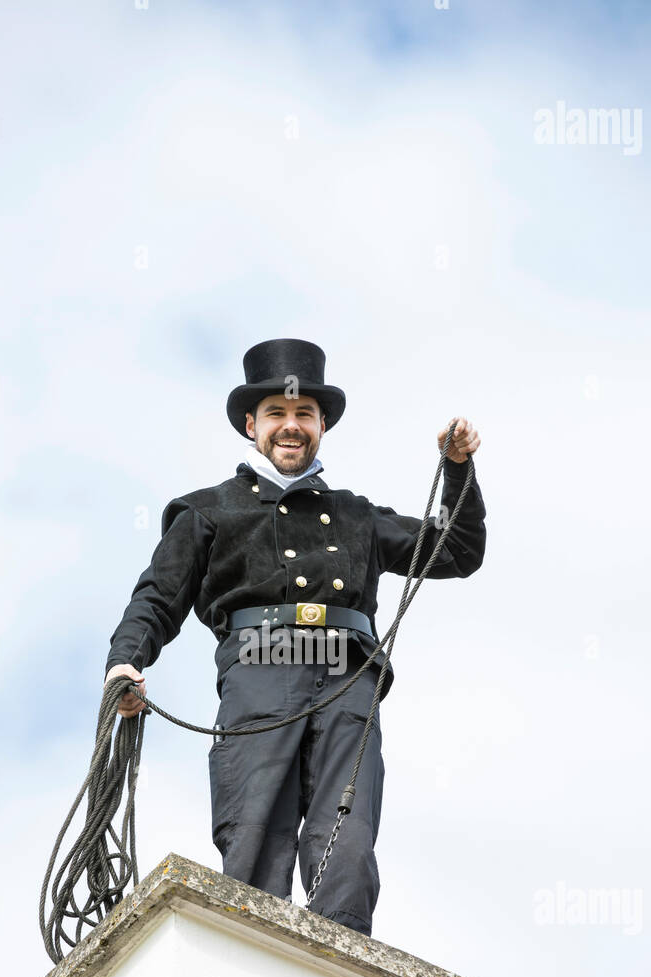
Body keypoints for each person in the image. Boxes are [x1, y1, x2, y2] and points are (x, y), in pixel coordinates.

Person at [104, 338, 486, 936]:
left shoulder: (356, 514)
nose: (291, 426)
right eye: (277, 415)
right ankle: (250, 967)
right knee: (255, 834)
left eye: (304, 414)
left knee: (350, 838)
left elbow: (458, 551)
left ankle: (344, 968)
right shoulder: (208, 510)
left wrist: (458, 468)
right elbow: (157, 597)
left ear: (322, 425)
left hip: (347, 675)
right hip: (261, 666)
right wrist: (124, 663)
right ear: (251, 425)